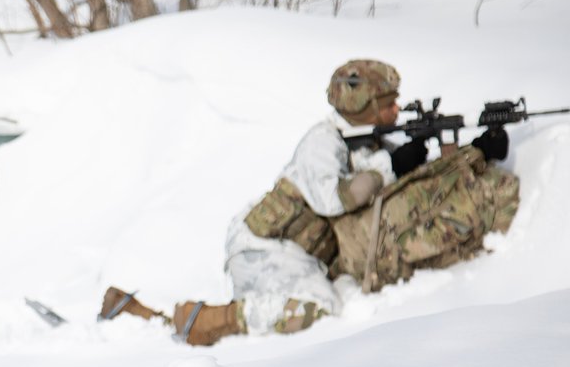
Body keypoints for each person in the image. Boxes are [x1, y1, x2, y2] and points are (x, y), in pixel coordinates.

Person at [100, 58, 509, 346]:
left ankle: (156, 315)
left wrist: (471, 151)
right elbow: (336, 199)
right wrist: (394, 163)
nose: (396, 109)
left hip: (298, 252)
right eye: (388, 102)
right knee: (319, 311)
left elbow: (406, 191)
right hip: (264, 246)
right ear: (364, 105)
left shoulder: (365, 141)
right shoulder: (322, 142)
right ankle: (207, 320)